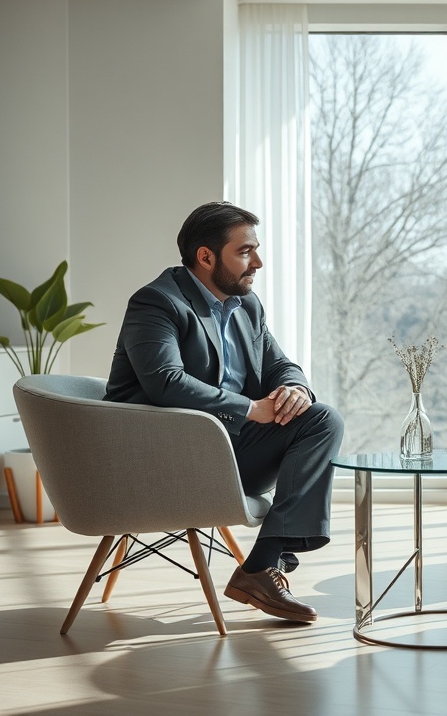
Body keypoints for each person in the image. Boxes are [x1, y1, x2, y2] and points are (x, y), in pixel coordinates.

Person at [105, 201, 344, 624]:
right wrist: (250, 408)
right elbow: (165, 380)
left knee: (322, 418)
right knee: (316, 422)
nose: (258, 263)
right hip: (164, 456)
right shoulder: (156, 302)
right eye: (245, 251)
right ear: (206, 256)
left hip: (225, 450)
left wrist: (295, 389)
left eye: (256, 250)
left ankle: (262, 564)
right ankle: (264, 566)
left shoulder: (246, 306)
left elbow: (278, 364)